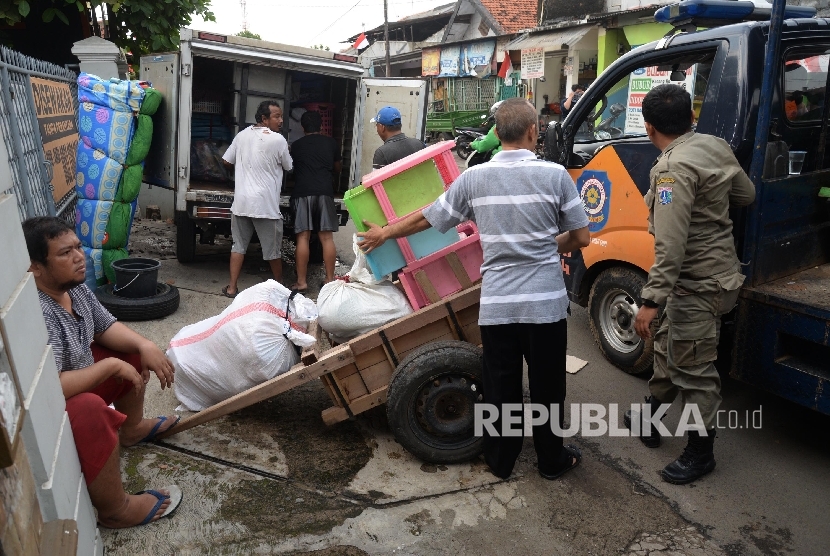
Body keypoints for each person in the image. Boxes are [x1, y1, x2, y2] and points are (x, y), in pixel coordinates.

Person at [357, 98, 591, 480]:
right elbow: (580, 236)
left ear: (496, 135)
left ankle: (501, 461)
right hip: (545, 306)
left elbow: (429, 218)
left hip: (497, 304)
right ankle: (552, 460)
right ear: (534, 132)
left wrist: (385, 232)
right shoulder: (555, 176)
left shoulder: (473, 179)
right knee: (549, 387)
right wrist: (546, 245)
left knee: (501, 387)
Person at [629, 84, 756, 485]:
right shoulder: (713, 145)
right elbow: (746, 194)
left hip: (698, 283)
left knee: (695, 370)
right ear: (690, 117)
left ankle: (700, 454)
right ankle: (650, 416)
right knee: (672, 347)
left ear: (649, 128)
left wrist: (650, 301)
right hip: (719, 276)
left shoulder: (670, 170)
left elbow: (670, 246)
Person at [23, 216, 183, 528]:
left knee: (132, 354)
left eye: (78, 248)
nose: (79, 257)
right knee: (91, 408)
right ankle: (115, 510)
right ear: (35, 267)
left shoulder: (74, 289)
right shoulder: (40, 311)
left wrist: (144, 344)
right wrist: (109, 366)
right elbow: (50, 388)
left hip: (77, 384)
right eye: (65, 253)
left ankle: (132, 429)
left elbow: (105, 326)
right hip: (53, 412)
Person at [221, 100, 293, 297]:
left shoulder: (242, 135)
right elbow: (289, 167)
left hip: (242, 203)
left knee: (238, 247)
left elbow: (226, 160)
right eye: (277, 116)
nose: (281, 120)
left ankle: (232, 288)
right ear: (264, 118)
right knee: (273, 252)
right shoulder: (278, 140)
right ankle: (280, 289)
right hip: (265, 206)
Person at [289, 110, 342, 290]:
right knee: (326, 238)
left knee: (303, 236)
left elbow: (291, 168)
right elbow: (337, 167)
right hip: (324, 192)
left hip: (302, 192)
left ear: (303, 127)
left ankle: (301, 282)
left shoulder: (295, 146)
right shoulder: (331, 143)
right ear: (321, 126)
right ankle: (329, 279)